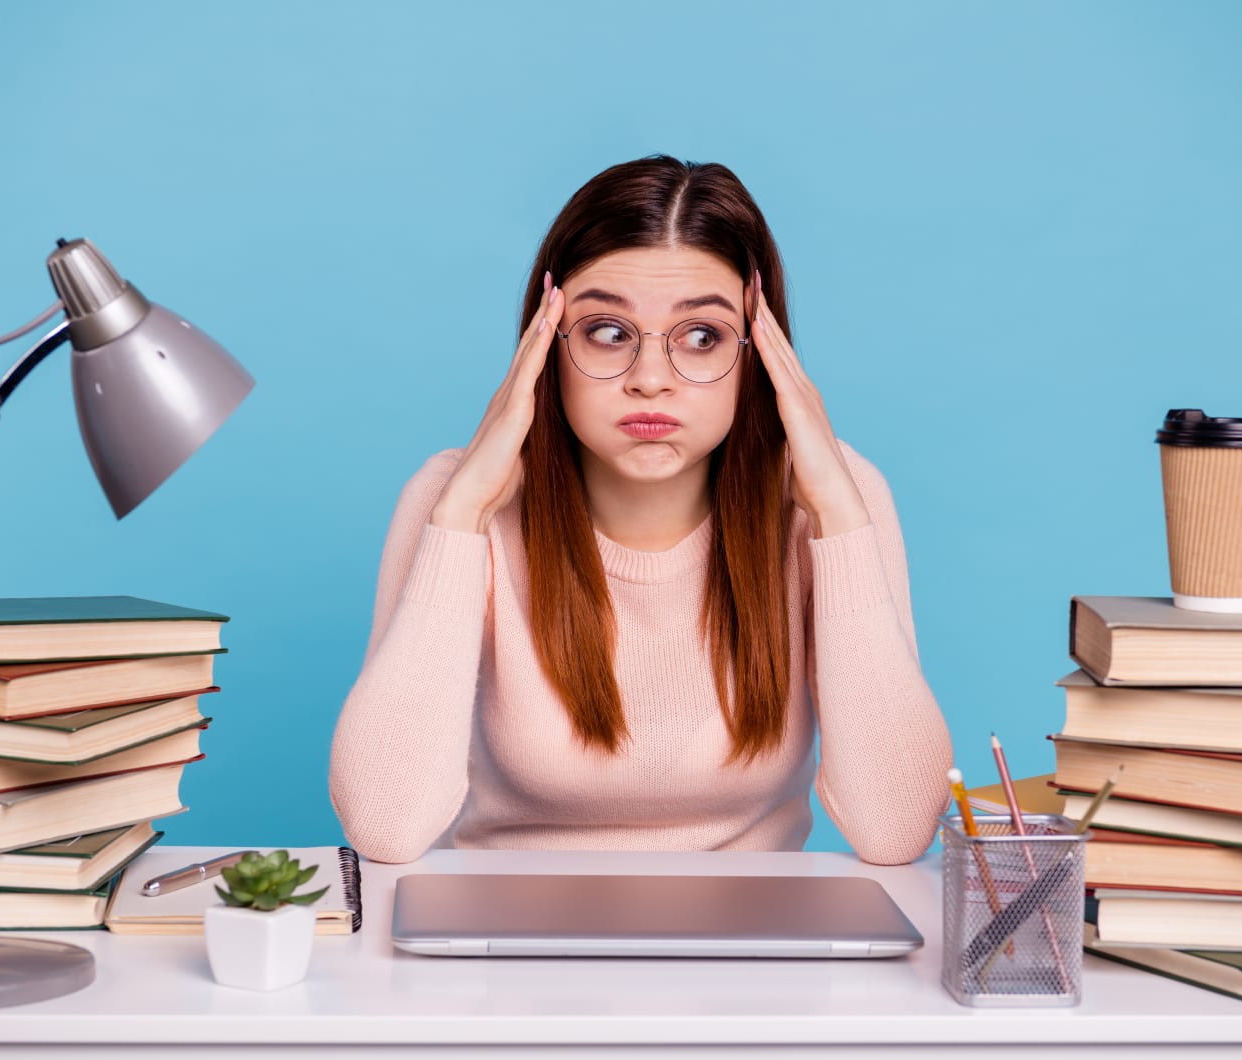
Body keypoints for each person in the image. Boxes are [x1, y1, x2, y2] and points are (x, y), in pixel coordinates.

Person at [330, 156, 952, 865]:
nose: (650, 380)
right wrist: (463, 513)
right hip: (509, 943)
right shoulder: (454, 498)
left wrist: (838, 515)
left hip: (752, 945)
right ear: (547, 343)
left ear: (760, 353)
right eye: (608, 332)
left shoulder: (835, 497)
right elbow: (383, 825)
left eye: (701, 337)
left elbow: (897, 828)